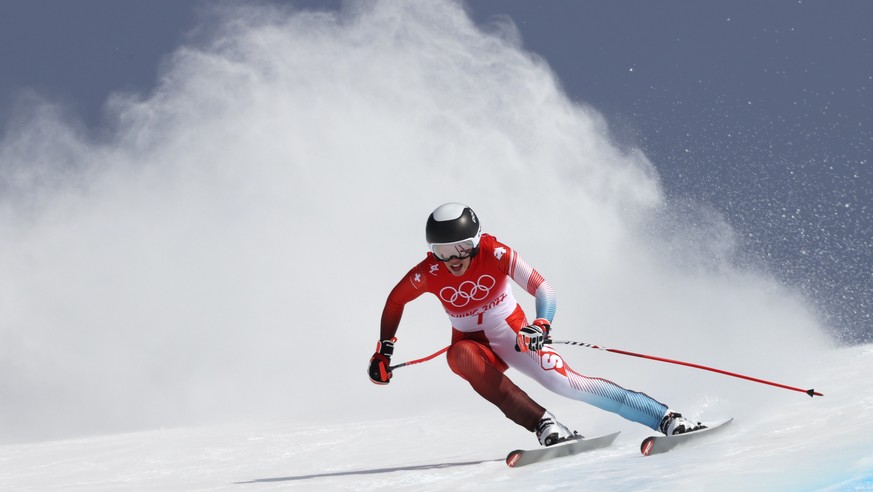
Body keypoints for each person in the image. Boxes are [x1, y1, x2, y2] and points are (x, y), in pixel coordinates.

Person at [369, 202, 703, 446]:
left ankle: (665, 417)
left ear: (477, 241)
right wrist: (384, 351)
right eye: (442, 251)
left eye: (463, 247)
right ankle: (544, 424)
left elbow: (543, 288)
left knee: (567, 384)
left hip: (515, 335)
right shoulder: (429, 272)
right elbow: (395, 301)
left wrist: (540, 325)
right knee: (459, 357)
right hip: (474, 345)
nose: (453, 259)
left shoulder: (494, 253)